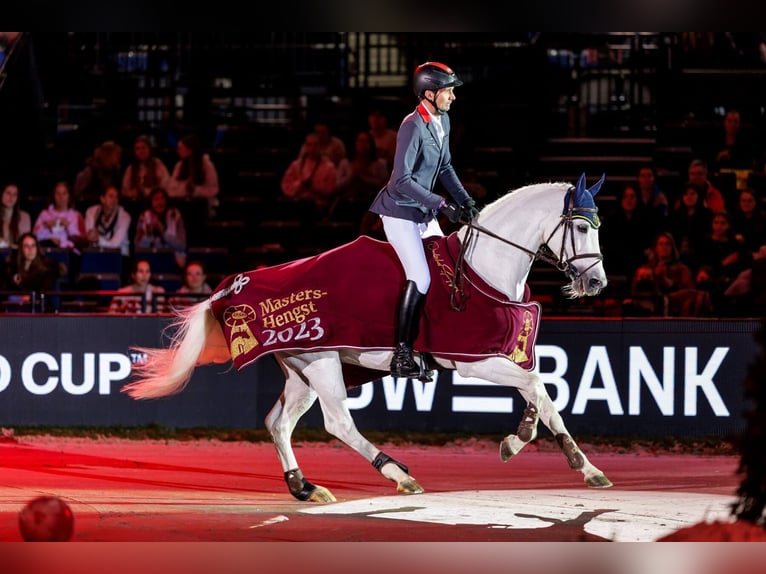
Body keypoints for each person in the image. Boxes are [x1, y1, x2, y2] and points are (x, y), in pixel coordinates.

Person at [368, 61, 477, 380]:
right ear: (429, 93)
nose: (453, 97)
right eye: (448, 91)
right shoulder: (411, 125)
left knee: (447, 269)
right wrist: (443, 204)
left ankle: (428, 344)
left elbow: (445, 167)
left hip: (423, 212)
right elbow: (401, 180)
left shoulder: (442, 120)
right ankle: (402, 353)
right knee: (422, 276)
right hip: (400, 213)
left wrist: (465, 199)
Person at [4, 232, 64, 305]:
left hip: (39, 309)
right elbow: (6, 290)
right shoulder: (13, 266)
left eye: (33, 246)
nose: (30, 249)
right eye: (26, 246)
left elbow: (44, 293)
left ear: (37, 248)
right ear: (21, 249)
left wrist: (26, 298)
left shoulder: (48, 267)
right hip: (16, 307)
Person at [83, 184, 132, 257]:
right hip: (96, 253)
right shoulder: (91, 211)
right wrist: (93, 237)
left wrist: (98, 239)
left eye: (116, 197)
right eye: (111, 196)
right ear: (102, 199)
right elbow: (90, 236)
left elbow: (115, 244)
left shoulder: (125, 217)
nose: (114, 200)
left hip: (119, 256)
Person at [0, 182, 31, 248]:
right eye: (8, 193)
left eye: (15, 194)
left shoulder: (25, 217)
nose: (11, 197)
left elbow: (25, 241)